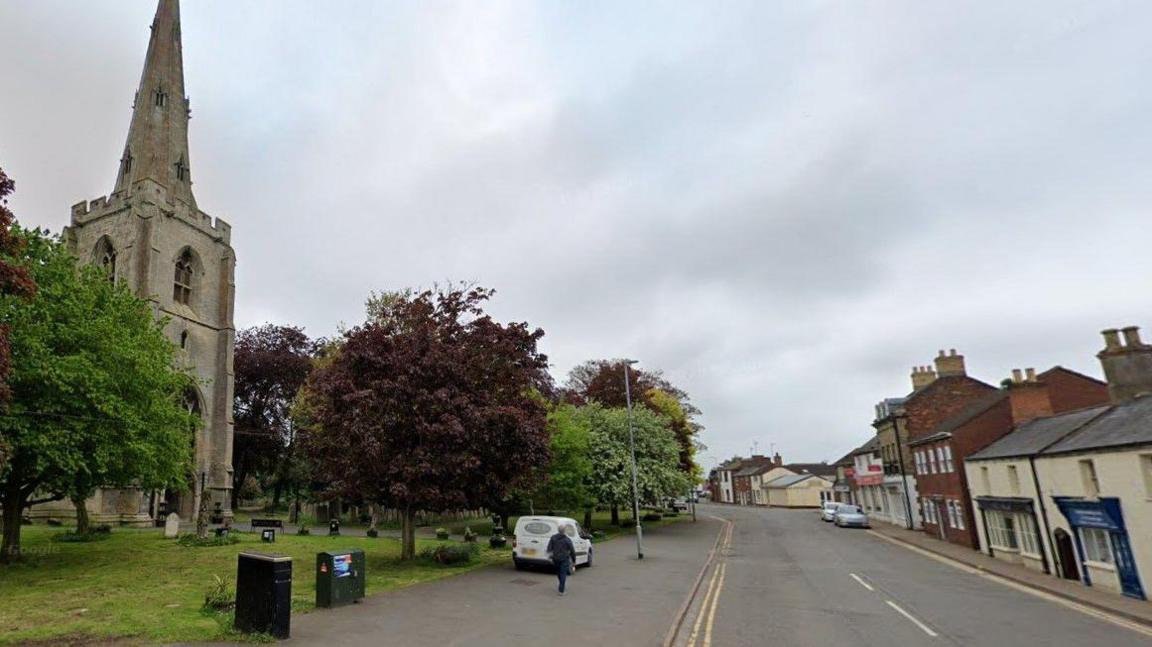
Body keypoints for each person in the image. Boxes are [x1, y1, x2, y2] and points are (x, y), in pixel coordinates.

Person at [547, 523, 577, 596]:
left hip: (555, 558)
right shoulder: (567, 540)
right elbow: (572, 551)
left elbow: (549, 548)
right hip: (564, 559)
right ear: (564, 531)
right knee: (563, 573)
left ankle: (561, 586)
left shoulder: (553, 538)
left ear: (558, 530)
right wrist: (574, 560)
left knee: (558, 573)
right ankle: (561, 590)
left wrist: (550, 556)